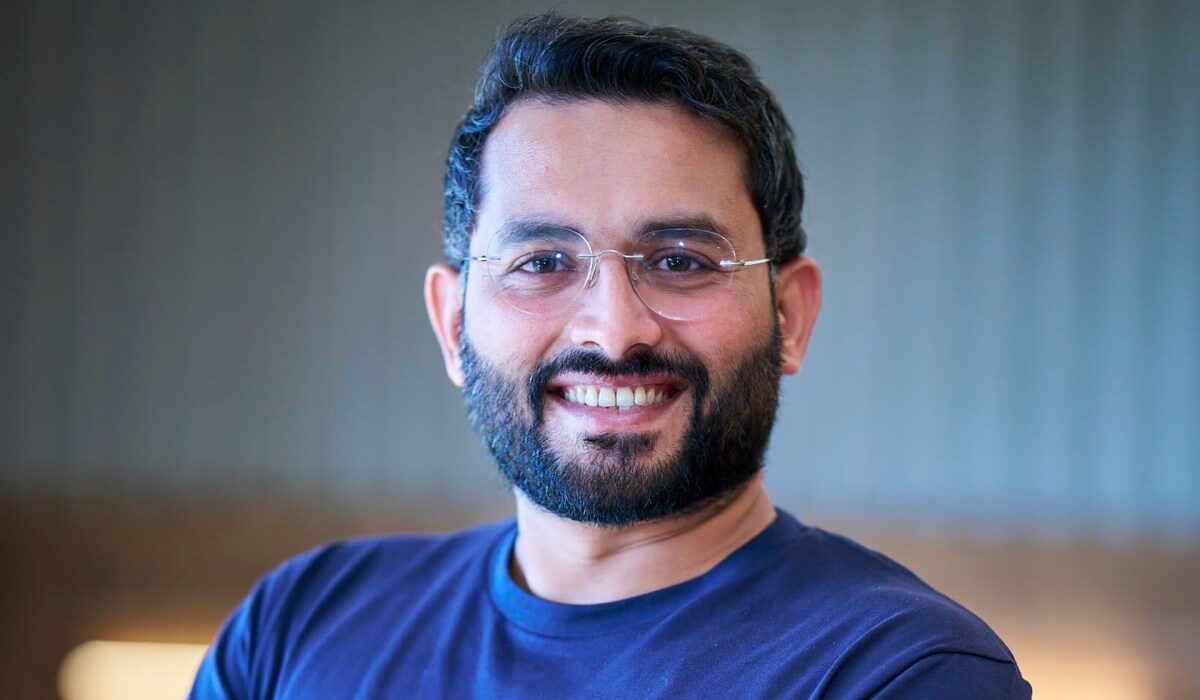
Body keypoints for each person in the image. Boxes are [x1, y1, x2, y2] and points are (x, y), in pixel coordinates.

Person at [191, 13, 1030, 698]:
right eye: (542, 263)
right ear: (453, 325)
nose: (614, 331)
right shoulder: (297, 629)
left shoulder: (902, 673)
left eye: (681, 261)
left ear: (790, 316)